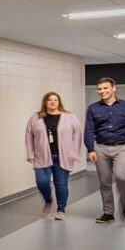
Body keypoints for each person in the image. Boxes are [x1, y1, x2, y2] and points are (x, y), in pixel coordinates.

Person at [84, 77, 125, 224]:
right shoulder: (93, 108)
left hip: (122, 147)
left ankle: (123, 206)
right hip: (101, 148)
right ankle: (108, 213)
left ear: (113, 88)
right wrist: (90, 149)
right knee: (104, 182)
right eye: (99, 89)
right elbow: (88, 130)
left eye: (105, 88)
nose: (102, 91)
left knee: (121, 176)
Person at [24, 92, 82, 220]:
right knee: (41, 182)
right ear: (45, 102)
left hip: (63, 156)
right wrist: (30, 154)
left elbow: (77, 134)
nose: (52, 102)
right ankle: (48, 200)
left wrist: (74, 152)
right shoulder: (36, 117)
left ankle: (61, 209)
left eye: (55, 100)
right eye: (49, 100)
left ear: (59, 102)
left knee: (61, 184)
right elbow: (29, 135)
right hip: (42, 156)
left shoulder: (69, 117)